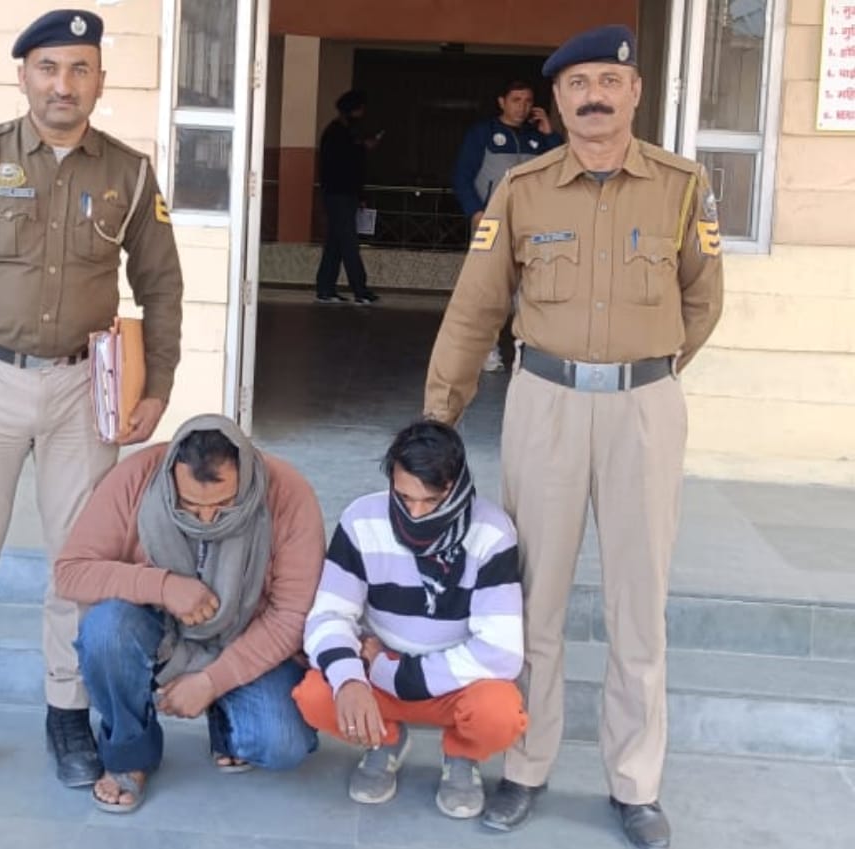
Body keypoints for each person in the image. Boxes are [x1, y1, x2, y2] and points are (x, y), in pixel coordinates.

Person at [424, 24, 723, 849]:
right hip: (545, 404)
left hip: (643, 410)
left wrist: (647, 371)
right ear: (556, 101)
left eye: (609, 82)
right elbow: (476, 305)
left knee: (639, 604)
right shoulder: (522, 189)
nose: (595, 97)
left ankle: (636, 782)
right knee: (532, 598)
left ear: (635, 92)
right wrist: (439, 416)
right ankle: (526, 766)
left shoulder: (682, 186)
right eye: (578, 85)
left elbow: (703, 299)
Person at [0, 9, 184, 801]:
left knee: (79, 563)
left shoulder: (128, 172)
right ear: (23, 75)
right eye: (49, 68)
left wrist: (156, 384)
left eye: (80, 69)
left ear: (100, 80)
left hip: (81, 389)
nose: (64, 84)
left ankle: (69, 713)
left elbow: (161, 285)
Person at [53, 414, 325, 813]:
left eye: (224, 505)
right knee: (106, 630)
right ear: (171, 477)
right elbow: (71, 572)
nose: (207, 519)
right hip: (159, 631)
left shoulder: (287, 494)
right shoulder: (139, 478)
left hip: (246, 636)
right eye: (191, 506)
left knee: (283, 745)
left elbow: (290, 616)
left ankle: (225, 717)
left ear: (246, 476)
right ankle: (130, 751)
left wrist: (211, 682)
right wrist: (164, 587)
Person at [293, 420, 527, 820]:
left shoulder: (492, 532)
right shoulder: (362, 519)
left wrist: (390, 671)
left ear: (456, 487)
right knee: (316, 695)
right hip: (379, 677)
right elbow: (329, 615)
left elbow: (501, 653)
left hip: (453, 682)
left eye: (431, 500)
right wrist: (351, 679)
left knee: (499, 714)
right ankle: (384, 740)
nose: (415, 513)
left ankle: (462, 756)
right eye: (403, 497)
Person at [453, 80, 562, 373]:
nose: (522, 107)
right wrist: (475, 211)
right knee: (487, 289)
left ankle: (527, 351)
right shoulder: (483, 133)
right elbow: (462, 175)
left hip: (530, 224)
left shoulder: (537, 137)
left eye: (528, 101)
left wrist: (550, 134)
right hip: (490, 222)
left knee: (530, 290)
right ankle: (486, 351)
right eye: (516, 100)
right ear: (502, 102)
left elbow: (563, 167)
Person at [315, 89, 381, 305]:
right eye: (360, 110)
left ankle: (325, 288)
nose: (362, 114)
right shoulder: (342, 135)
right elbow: (350, 167)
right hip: (341, 195)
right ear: (352, 110)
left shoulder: (338, 132)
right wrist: (363, 148)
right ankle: (360, 290)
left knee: (334, 243)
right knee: (349, 243)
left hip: (335, 194)